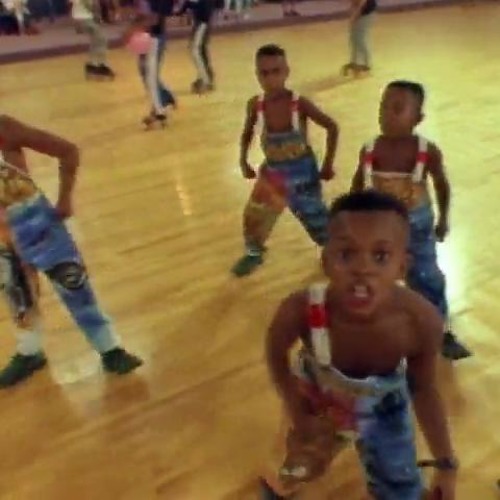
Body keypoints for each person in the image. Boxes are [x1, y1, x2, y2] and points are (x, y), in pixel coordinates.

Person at [261, 190, 458, 499]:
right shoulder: (300, 309)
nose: (362, 269)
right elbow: (275, 353)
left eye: (380, 256)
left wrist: (446, 463)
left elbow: (424, 389)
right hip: (318, 399)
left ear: (402, 267)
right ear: (326, 261)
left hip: (385, 408)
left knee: (400, 486)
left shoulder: (421, 321)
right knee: (293, 470)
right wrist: (295, 408)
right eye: (346, 254)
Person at [0, 114, 142, 388]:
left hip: (38, 225)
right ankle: (30, 352)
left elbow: (67, 151)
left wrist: (65, 199)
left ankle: (110, 348)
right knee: (17, 297)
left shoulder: (4, 128)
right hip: (3, 238)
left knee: (73, 285)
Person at [350, 80, 471, 360]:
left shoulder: (427, 152)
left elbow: (441, 185)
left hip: (419, 230)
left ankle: (440, 330)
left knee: (429, 278)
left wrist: (443, 219)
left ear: (418, 118)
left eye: (397, 109)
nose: (386, 115)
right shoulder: (370, 149)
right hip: (382, 231)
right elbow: (358, 183)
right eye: (383, 107)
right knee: (375, 279)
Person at [231, 44, 339, 277]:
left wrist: (328, 164)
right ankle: (254, 252)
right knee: (255, 215)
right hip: (273, 172)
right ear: (257, 75)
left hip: (303, 173)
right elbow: (247, 132)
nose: (270, 79)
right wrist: (243, 160)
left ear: (286, 71)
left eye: (276, 71)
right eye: (264, 73)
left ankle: (334, 250)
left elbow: (332, 127)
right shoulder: (255, 104)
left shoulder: (299, 103)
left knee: (316, 217)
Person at [124, 0, 176, 128]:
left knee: (150, 76)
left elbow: (154, 19)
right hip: (149, 37)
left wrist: (133, 27)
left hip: (154, 38)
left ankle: (159, 112)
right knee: (144, 72)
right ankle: (165, 98)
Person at [175, 0, 220, 94]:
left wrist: (182, 8)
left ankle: (205, 79)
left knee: (195, 49)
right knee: (199, 49)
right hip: (201, 22)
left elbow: (202, 7)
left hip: (203, 22)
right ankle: (205, 77)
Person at [70, 0, 115, 79]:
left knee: (96, 40)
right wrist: (95, 13)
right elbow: (90, 4)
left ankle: (92, 64)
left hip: (83, 17)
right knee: (101, 40)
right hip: (84, 18)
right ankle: (101, 65)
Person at [342, 0, 376, 75]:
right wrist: (352, 13)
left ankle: (367, 63)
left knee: (360, 39)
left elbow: (362, 3)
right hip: (362, 12)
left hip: (365, 14)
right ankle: (355, 61)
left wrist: (354, 17)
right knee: (354, 39)